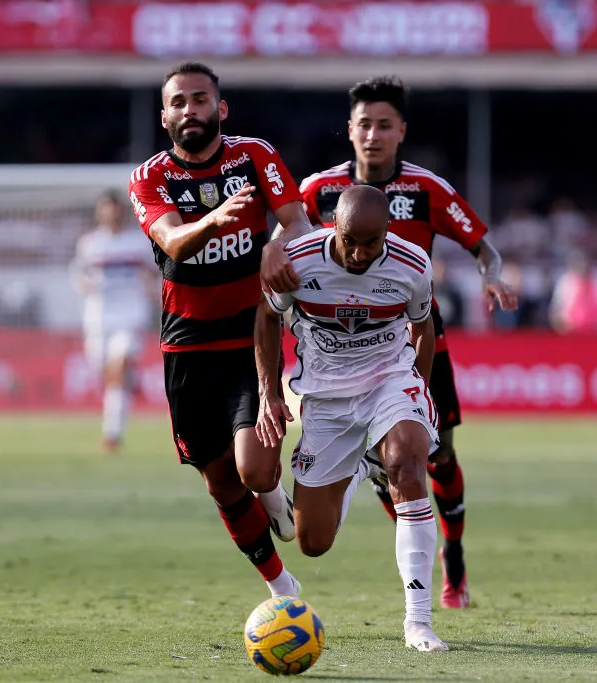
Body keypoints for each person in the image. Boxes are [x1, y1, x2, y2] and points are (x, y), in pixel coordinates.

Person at [300, 76, 516, 610]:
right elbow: (288, 250)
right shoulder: (319, 191)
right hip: (344, 351)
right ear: (350, 130)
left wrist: (492, 274)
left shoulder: (426, 189)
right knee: (391, 468)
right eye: (364, 125)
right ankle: (418, 551)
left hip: (417, 339)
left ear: (401, 131)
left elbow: (483, 246)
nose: (373, 135)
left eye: (384, 125)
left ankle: (453, 552)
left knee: (440, 455)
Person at [127, 62, 313, 598]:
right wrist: (212, 220)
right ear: (165, 117)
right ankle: (283, 588)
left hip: (250, 338)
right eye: (178, 102)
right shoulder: (149, 177)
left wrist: (276, 244)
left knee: (253, 471)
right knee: (221, 484)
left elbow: (298, 222)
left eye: (200, 99)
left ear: (221, 108)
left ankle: (271, 492)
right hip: (187, 346)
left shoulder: (254, 155)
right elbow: (173, 243)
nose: (190, 109)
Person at [255, 185, 447, 652]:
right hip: (325, 398)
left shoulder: (412, 263)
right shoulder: (298, 260)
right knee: (312, 542)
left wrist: (416, 396)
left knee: (407, 462)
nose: (359, 254)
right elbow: (266, 318)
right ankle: (362, 466)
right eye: (349, 241)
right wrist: (268, 392)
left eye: (371, 243)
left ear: (387, 232)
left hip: (389, 380)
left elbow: (423, 327)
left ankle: (418, 622)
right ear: (333, 227)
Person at [70, 190, 158, 452]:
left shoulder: (139, 242)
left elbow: (154, 273)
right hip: (98, 319)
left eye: (116, 208)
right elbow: (78, 275)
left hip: (130, 317)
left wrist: (151, 286)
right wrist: (85, 283)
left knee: (118, 370)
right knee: (105, 375)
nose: (112, 213)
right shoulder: (89, 244)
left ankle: (112, 434)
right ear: (100, 212)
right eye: (107, 208)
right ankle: (132, 383)